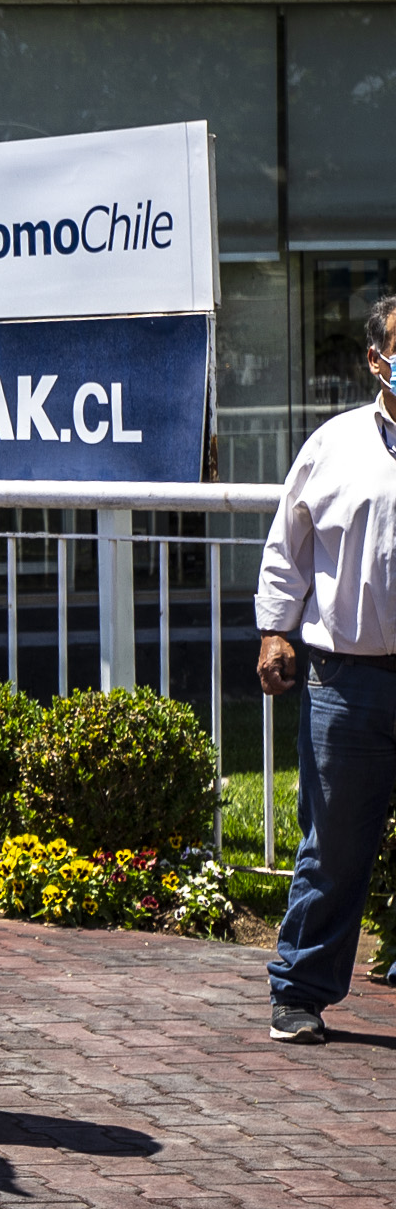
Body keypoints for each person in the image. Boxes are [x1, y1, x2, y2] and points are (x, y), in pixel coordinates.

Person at [255, 294, 396, 1044]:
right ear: (377, 359)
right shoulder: (333, 445)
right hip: (348, 678)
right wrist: (276, 631)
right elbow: (288, 548)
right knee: (334, 842)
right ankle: (300, 990)